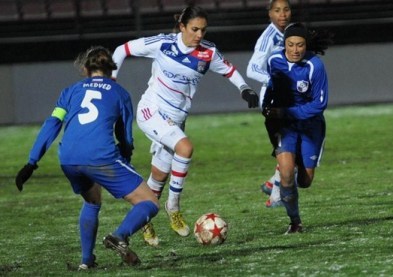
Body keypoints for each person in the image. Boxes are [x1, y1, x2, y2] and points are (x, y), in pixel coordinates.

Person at [112, 6, 259, 246]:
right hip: (152, 111)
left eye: (203, 29)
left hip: (176, 119)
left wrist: (245, 88)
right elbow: (122, 50)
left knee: (159, 175)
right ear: (182, 27)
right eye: (194, 29)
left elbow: (230, 71)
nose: (199, 34)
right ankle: (174, 208)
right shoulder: (163, 44)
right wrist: (112, 83)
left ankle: (144, 220)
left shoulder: (208, 52)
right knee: (185, 148)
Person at [15, 46, 159, 269]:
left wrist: (31, 162)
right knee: (149, 202)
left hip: (69, 158)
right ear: (111, 68)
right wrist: (125, 158)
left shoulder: (70, 91)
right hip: (100, 156)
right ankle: (119, 236)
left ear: (84, 68)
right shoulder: (119, 93)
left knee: (92, 201)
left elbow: (52, 124)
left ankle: (86, 261)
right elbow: (126, 137)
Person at [261, 22, 330, 234]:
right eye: (290, 45)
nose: (295, 50)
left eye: (300, 45)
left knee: (305, 181)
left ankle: (293, 169)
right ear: (284, 44)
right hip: (284, 126)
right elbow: (272, 86)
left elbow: (320, 104)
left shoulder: (315, 66)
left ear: (305, 45)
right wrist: (267, 106)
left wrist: (287, 112)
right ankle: (295, 222)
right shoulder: (274, 60)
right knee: (287, 174)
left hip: (310, 126)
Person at [246, 0, 292, 208]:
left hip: (288, 96)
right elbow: (252, 69)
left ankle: (273, 185)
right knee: (290, 146)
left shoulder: (289, 33)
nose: (282, 14)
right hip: (274, 98)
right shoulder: (267, 38)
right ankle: (275, 194)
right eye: (277, 10)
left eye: (286, 9)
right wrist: (275, 80)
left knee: (290, 145)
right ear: (269, 14)